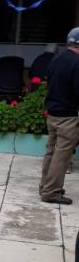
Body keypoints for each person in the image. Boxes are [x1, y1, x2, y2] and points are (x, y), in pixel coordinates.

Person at [39, 27, 79, 205]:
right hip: (68, 117)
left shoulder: (57, 58)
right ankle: (52, 192)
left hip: (53, 114)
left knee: (51, 153)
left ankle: (44, 187)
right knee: (61, 157)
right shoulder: (77, 62)